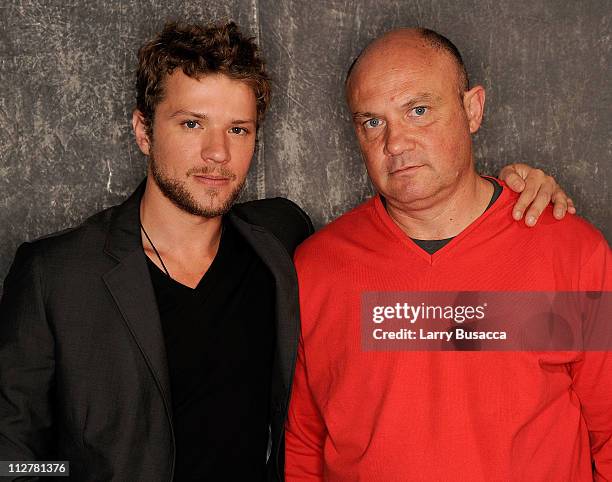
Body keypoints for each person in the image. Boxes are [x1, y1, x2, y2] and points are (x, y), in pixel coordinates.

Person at [0, 20, 574, 482]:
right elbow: (14, 459)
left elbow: (433, 279)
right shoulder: (56, 276)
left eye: (238, 129)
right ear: (144, 131)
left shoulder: (284, 242)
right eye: (192, 123)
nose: (216, 154)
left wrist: (513, 197)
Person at [285, 28, 611, 481]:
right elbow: (305, 441)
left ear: (472, 108)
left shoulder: (571, 251)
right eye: (372, 122)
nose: (395, 143)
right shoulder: (315, 266)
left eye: (418, 111)